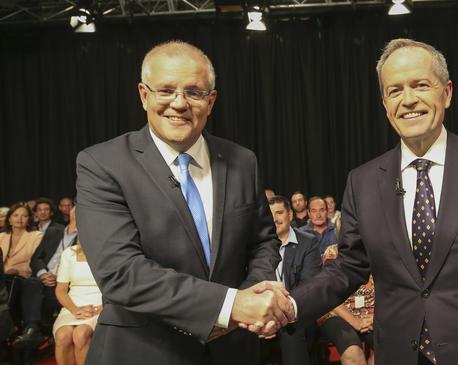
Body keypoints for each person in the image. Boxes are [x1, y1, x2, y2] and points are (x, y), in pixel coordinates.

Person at [283, 39, 458, 365]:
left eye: (420, 85)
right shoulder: (362, 182)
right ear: (384, 103)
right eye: (395, 91)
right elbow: (348, 269)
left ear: (447, 92)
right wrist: (290, 304)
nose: (408, 100)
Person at [75, 40, 287, 365]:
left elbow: (263, 243)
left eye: (194, 92)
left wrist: (250, 301)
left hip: (233, 350)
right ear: (144, 95)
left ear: (211, 100)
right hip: (143, 352)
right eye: (166, 90)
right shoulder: (102, 164)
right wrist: (228, 306)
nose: (179, 103)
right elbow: (121, 271)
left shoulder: (243, 161)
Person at [13, 205, 78, 348]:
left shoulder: (86, 237)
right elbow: (36, 258)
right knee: (30, 283)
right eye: (75, 208)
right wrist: (43, 273)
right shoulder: (54, 231)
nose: (77, 212)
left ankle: (41, 333)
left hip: (64, 281)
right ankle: (32, 329)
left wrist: (58, 277)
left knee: (47, 296)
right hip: (43, 277)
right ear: (72, 211)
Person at [268, 195, 321, 365]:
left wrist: (282, 311)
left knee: (291, 332)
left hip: (297, 312)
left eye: (279, 213)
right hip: (264, 312)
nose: (275, 219)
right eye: (271, 215)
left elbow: (309, 287)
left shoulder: (308, 242)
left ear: (290, 215)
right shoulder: (259, 246)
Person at [318, 244, 375, 365]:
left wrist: (377, 317)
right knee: (352, 351)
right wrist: (356, 322)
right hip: (336, 313)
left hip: (372, 315)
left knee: (390, 348)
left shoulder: (381, 251)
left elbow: (392, 291)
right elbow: (328, 295)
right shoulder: (333, 253)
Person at [53, 242, 102, 365]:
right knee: (62, 336)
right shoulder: (69, 253)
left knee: (80, 334)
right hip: (73, 305)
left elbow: (117, 287)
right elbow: (61, 290)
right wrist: (74, 309)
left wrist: (104, 306)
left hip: (100, 303)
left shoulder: (108, 251)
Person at [0, 203, 43, 279]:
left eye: (24, 216)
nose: (20, 219)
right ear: (9, 219)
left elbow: (35, 261)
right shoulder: (1, 236)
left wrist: (17, 270)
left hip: (22, 278)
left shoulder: (37, 236)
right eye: (16, 215)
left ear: (29, 219)